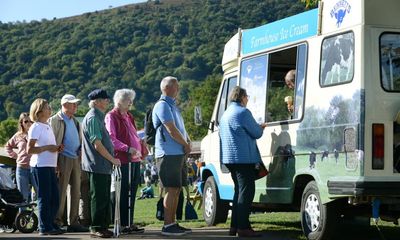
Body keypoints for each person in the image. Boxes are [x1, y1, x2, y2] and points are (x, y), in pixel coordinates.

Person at [219, 86, 267, 237]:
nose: (247, 99)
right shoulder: (243, 112)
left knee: (238, 191)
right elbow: (257, 133)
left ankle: (234, 226)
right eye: (247, 97)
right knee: (246, 192)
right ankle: (243, 227)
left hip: (230, 158)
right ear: (241, 97)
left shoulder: (225, 114)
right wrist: (262, 127)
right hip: (243, 158)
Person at [152, 76, 192, 236]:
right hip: (168, 154)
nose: (179, 89)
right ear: (168, 88)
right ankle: (168, 225)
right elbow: (171, 129)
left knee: (176, 189)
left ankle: (173, 222)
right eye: (177, 87)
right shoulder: (162, 106)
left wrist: (187, 142)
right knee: (172, 188)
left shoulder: (172, 106)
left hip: (177, 153)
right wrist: (185, 144)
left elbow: (180, 129)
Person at [81, 89, 121, 238]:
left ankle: (103, 226)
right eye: (105, 99)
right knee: (98, 197)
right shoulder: (92, 118)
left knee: (103, 196)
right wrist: (112, 159)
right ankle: (97, 227)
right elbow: (97, 144)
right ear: (97, 102)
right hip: (97, 164)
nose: (108, 101)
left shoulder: (98, 117)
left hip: (102, 165)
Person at [105, 89, 145, 234]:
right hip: (123, 159)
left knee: (132, 191)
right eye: (128, 100)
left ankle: (129, 221)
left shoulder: (129, 116)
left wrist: (141, 146)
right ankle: (122, 224)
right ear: (120, 101)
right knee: (122, 192)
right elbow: (111, 138)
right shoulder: (111, 116)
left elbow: (134, 134)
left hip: (135, 158)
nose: (131, 103)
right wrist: (127, 148)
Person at [48, 94, 88, 233]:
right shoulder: (54, 120)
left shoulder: (75, 121)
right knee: (61, 191)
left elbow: (78, 139)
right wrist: (56, 161)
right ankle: (57, 221)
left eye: (76, 104)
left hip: (75, 158)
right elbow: (51, 142)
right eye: (73, 104)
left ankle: (74, 222)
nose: (76, 106)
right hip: (62, 158)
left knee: (76, 192)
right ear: (64, 104)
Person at [27, 99, 65, 235]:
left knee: (54, 197)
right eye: (48, 107)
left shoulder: (47, 126)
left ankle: (51, 224)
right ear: (40, 111)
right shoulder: (36, 127)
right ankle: (44, 227)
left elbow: (49, 148)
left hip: (49, 165)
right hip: (40, 166)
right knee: (45, 197)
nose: (50, 109)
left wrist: (56, 149)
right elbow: (29, 150)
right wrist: (49, 147)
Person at [5, 113, 37, 207]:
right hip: (22, 169)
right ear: (21, 123)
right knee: (23, 197)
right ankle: (22, 220)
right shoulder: (17, 135)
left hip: (35, 168)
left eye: (30, 121)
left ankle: (40, 219)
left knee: (40, 193)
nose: (28, 123)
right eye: (26, 121)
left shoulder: (36, 134)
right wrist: (15, 156)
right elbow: (8, 146)